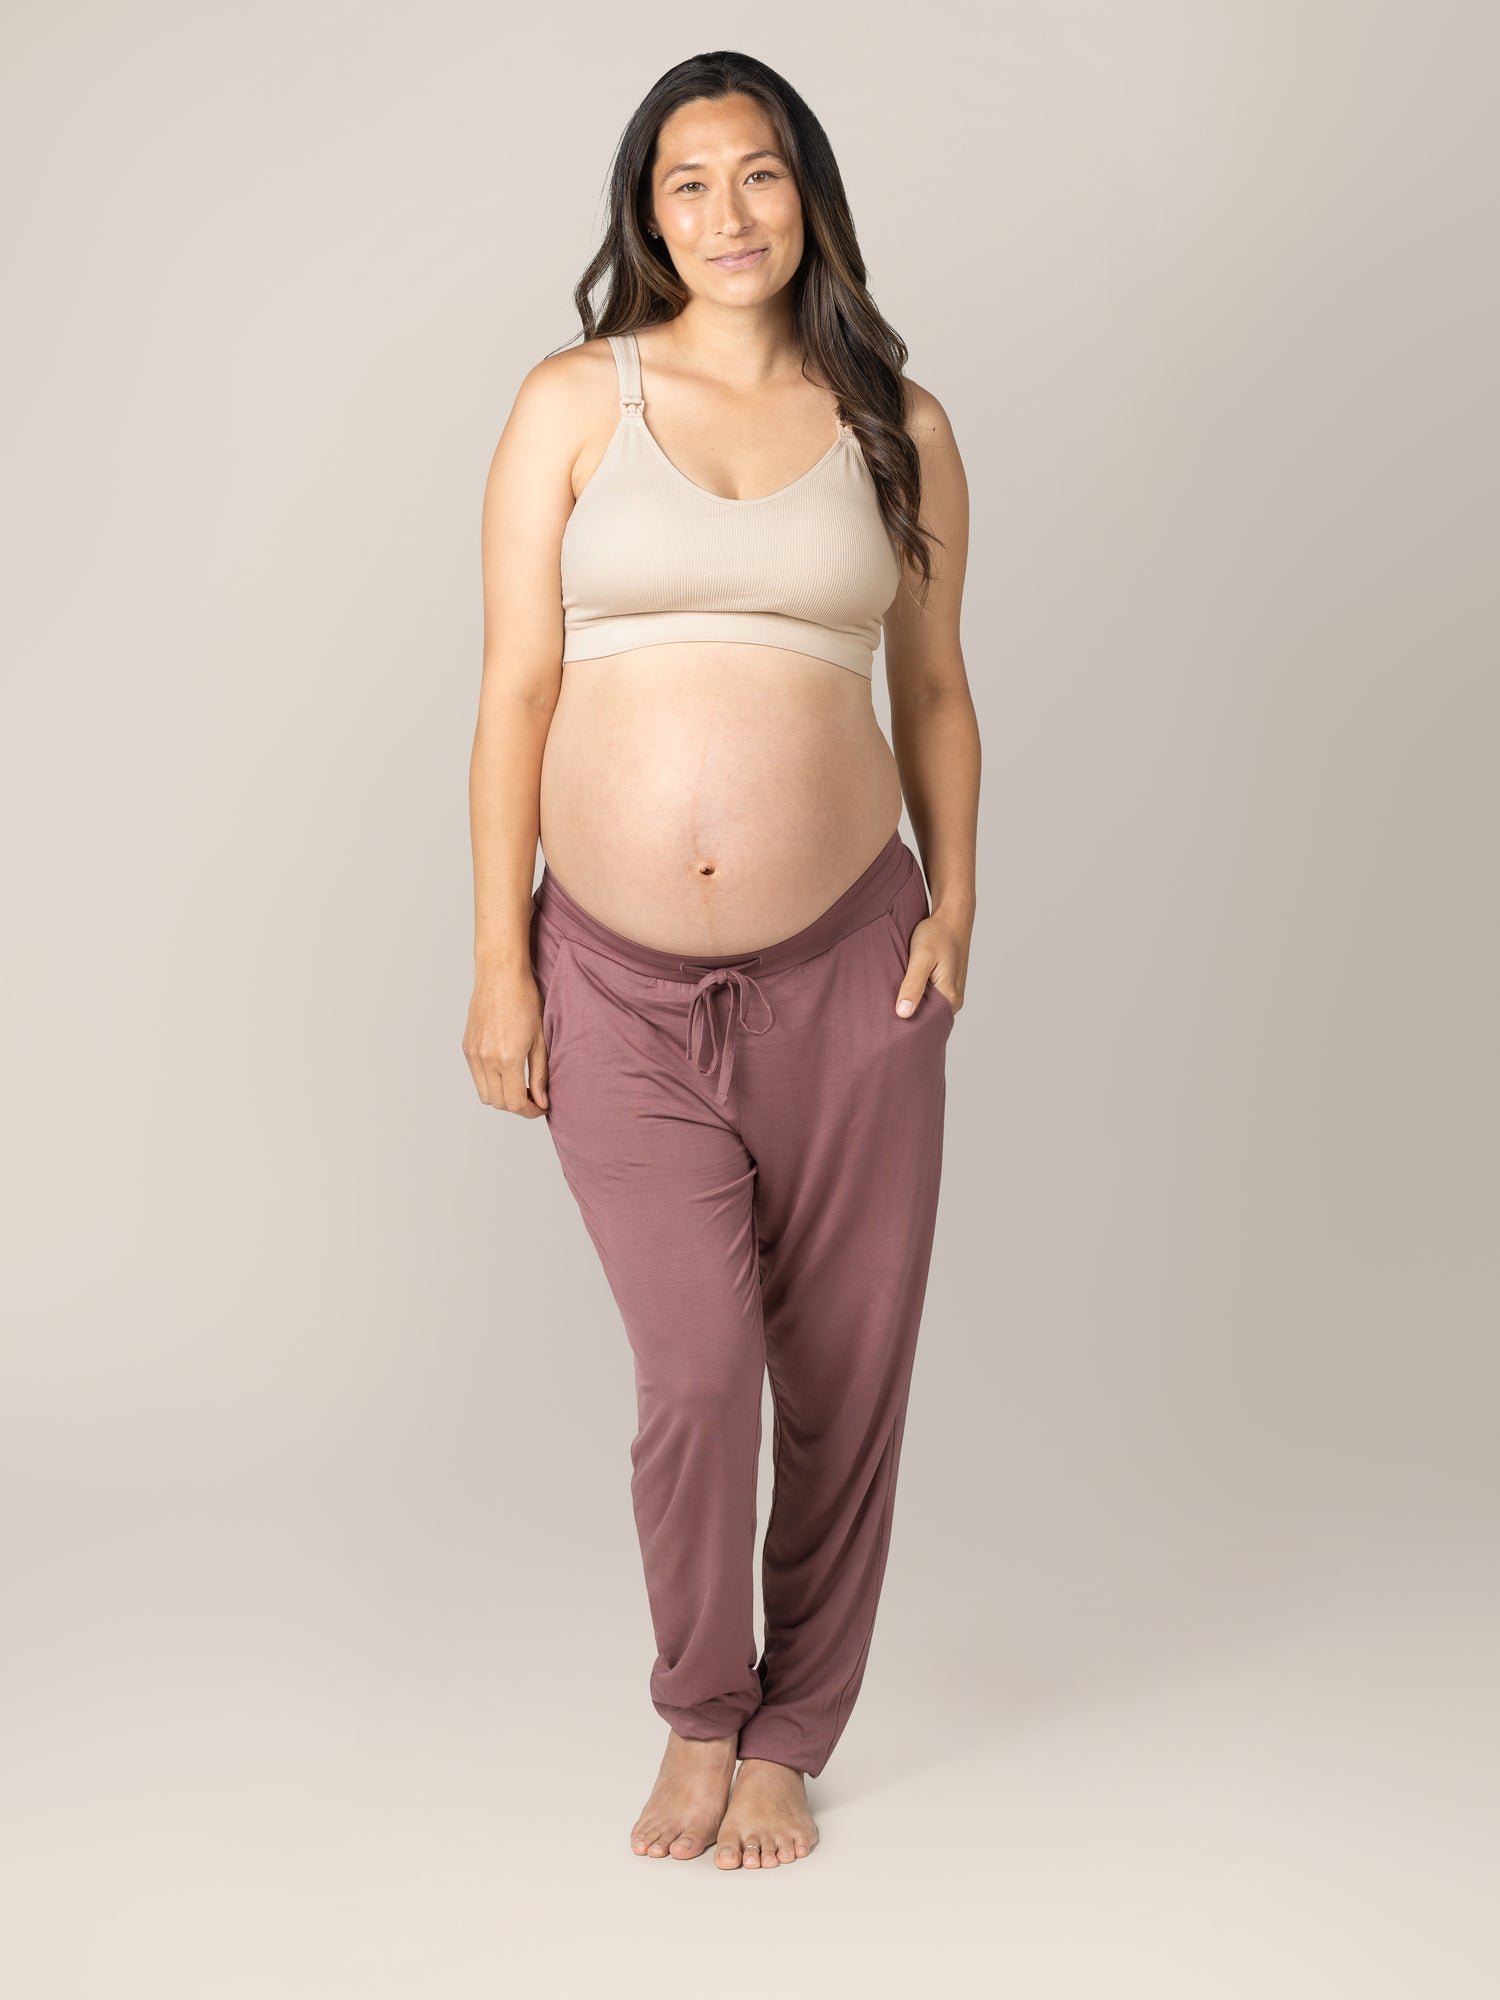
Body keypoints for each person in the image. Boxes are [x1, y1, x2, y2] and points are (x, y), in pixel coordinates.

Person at [463, 50, 979, 1870]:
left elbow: (934, 690)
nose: (728, 213)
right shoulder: (571, 403)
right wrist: (501, 962)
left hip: (853, 970)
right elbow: (514, 693)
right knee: (698, 1376)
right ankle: (701, 1706)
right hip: (611, 983)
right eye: (688, 184)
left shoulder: (898, 426)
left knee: (843, 1376)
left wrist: (958, 906)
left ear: (807, 193)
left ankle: (793, 1733)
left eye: (758, 174)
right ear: (647, 214)